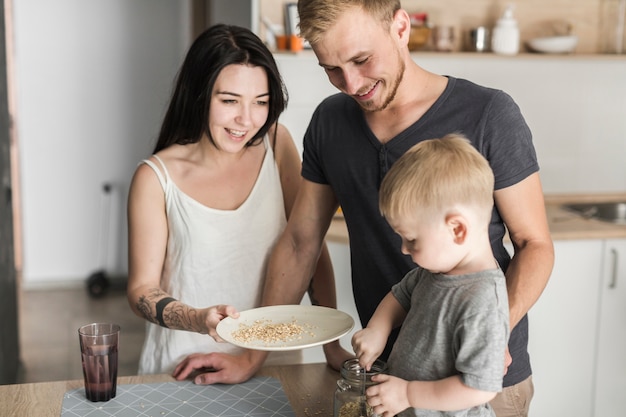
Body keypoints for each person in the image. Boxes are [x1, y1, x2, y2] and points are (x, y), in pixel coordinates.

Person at [178, 1, 554, 413]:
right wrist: (251, 356)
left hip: (478, 382)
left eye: (361, 59)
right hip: (384, 376)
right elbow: (302, 242)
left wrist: (493, 335)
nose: (351, 83)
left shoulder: (489, 114)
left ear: (401, 27)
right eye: (331, 69)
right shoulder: (330, 122)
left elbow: (534, 244)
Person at [126, 24, 347, 383]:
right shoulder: (155, 178)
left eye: (260, 102)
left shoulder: (277, 144)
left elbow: (307, 246)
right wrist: (197, 318)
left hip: (276, 361)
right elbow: (140, 291)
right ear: (199, 95)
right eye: (229, 101)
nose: (247, 120)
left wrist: (331, 345)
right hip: (188, 364)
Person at [352, 134, 510, 417]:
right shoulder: (435, 272)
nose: (403, 249)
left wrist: (408, 393)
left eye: (411, 239)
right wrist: (378, 329)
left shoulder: (482, 301)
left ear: (457, 229)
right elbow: (400, 296)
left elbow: (479, 388)